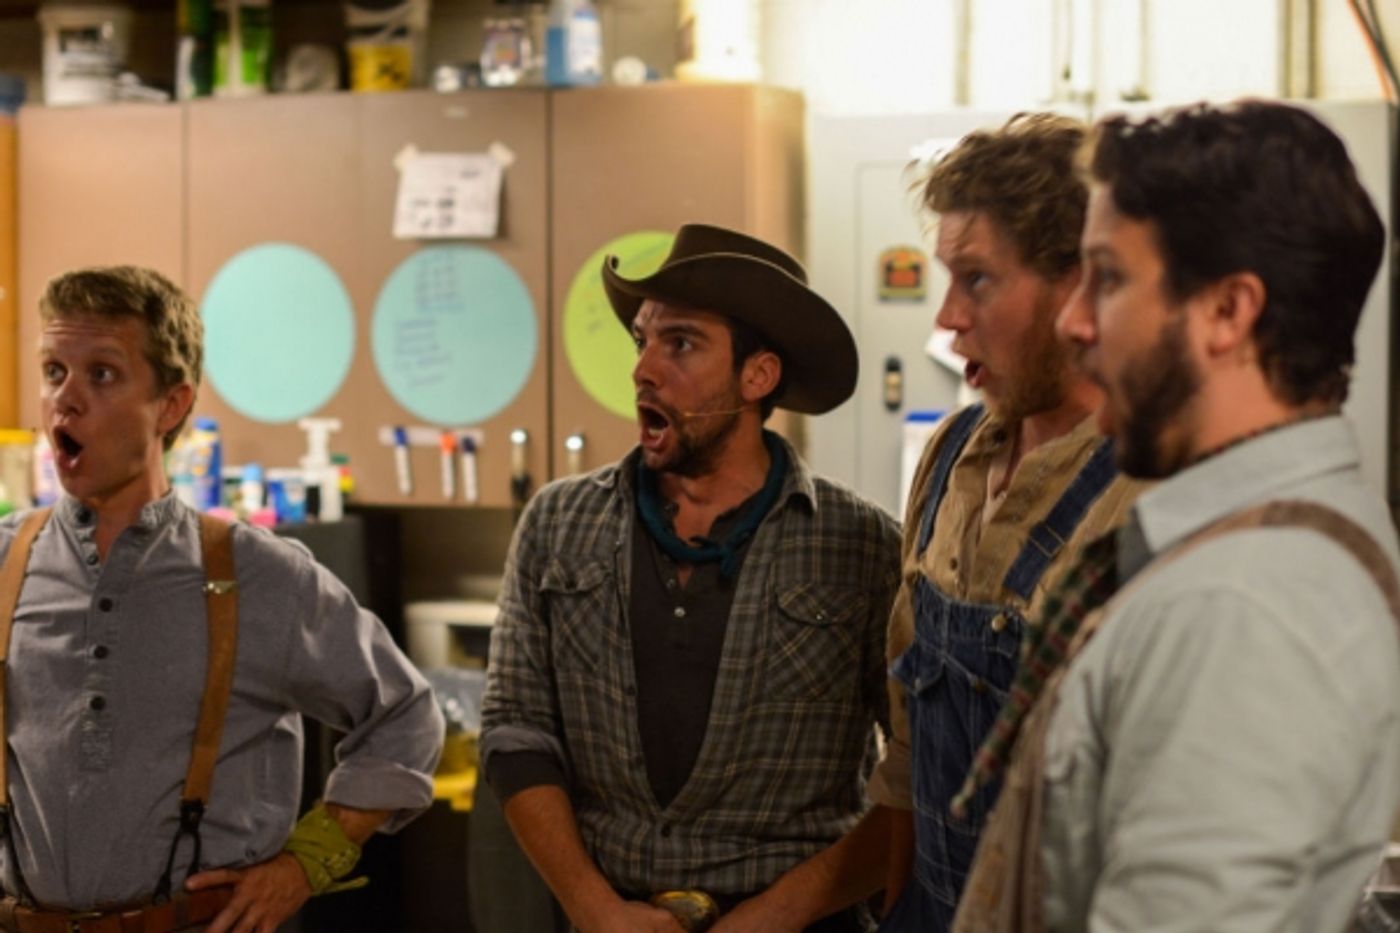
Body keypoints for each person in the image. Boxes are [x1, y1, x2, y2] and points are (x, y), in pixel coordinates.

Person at [954, 100, 1400, 933]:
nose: (1073, 321)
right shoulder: (1256, 549)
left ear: (1229, 312)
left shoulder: (1242, 606)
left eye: (1110, 278)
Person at [479, 223, 901, 933]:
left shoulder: (861, 546)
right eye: (641, 340)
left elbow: (919, 782)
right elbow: (516, 733)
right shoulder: (558, 524)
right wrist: (595, 908)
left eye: (679, 343)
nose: (644, 368)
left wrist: (769, 919)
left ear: (757, 375)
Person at [0, 266, 444, 933]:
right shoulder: (8, 558)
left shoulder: (258, 574)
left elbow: (407, 716)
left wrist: (306, 862)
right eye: (54, 370)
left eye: (102, 374)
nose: (66, 399)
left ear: (172, 405)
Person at [790, 113, 1139, 933]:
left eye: (977, 279)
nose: (945, 318)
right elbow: (910, 736)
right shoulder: (951, 454)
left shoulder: (1157, 491)